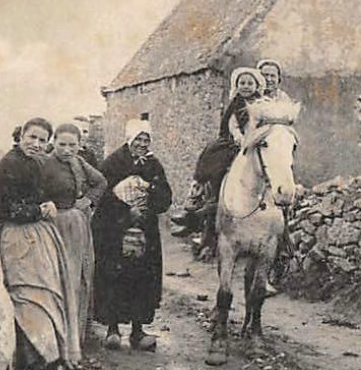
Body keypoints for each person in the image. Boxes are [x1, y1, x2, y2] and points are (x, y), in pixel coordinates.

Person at [0, 117, 85, 370]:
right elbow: (8, 209)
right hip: (18, 239)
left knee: (48, 302)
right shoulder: (9, 165)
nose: (36, 144)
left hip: (35, 236)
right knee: (31, 303)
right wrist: (40, 209)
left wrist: (47, 205)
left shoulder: (34, 163)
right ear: (20, 135)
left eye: (42, 140)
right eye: (31, 137)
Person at [92, 119, 172, 351]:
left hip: (145, 230)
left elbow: (166, 198)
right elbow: (102, 195)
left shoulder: (154, 165)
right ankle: (113, 329)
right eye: (138, 139)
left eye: (146, 139)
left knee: (142, 278)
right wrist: (126, 211)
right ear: (129, 139)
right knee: (115, 276)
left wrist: (151, 191)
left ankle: (138, 331)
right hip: (114, 230)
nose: (142, 144)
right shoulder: (114, 163)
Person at [171, 66, 266, 234]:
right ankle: (200, 197)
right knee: (213, 158)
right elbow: (233, 124)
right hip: (236, 142)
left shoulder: (262, 103)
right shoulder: (236, 103)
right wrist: (239, 137)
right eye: (242, 83)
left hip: (257, 141)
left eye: (249, 83)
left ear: (256, 85)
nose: (245, 86)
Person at [40, 123, 107, 348]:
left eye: (72, 145)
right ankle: (57, 336)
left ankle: (77, 334)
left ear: (79, 145)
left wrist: (87, 200)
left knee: (80, 277)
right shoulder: (45, 164)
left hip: (78, 225)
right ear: (54, 143)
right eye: (62, 144)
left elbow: (100, 182)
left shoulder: (79, 162)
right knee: (60, 278)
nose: (67, 149)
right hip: (54, 226)